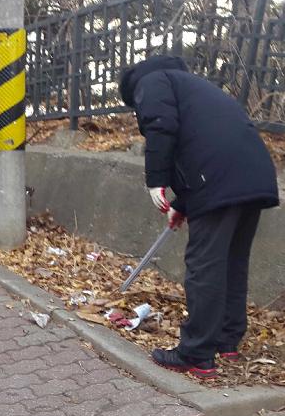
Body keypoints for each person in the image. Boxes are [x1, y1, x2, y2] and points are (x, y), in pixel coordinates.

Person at [119, 55, 279, 379]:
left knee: (204, 265)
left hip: (219, 180)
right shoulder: (196, 88)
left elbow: (161, 125)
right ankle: (227, 340)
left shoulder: (151, 82)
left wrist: (155, 180)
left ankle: (196, 353)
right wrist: (183, 205)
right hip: (253, 176)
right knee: (232, 261)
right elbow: (205, 145)